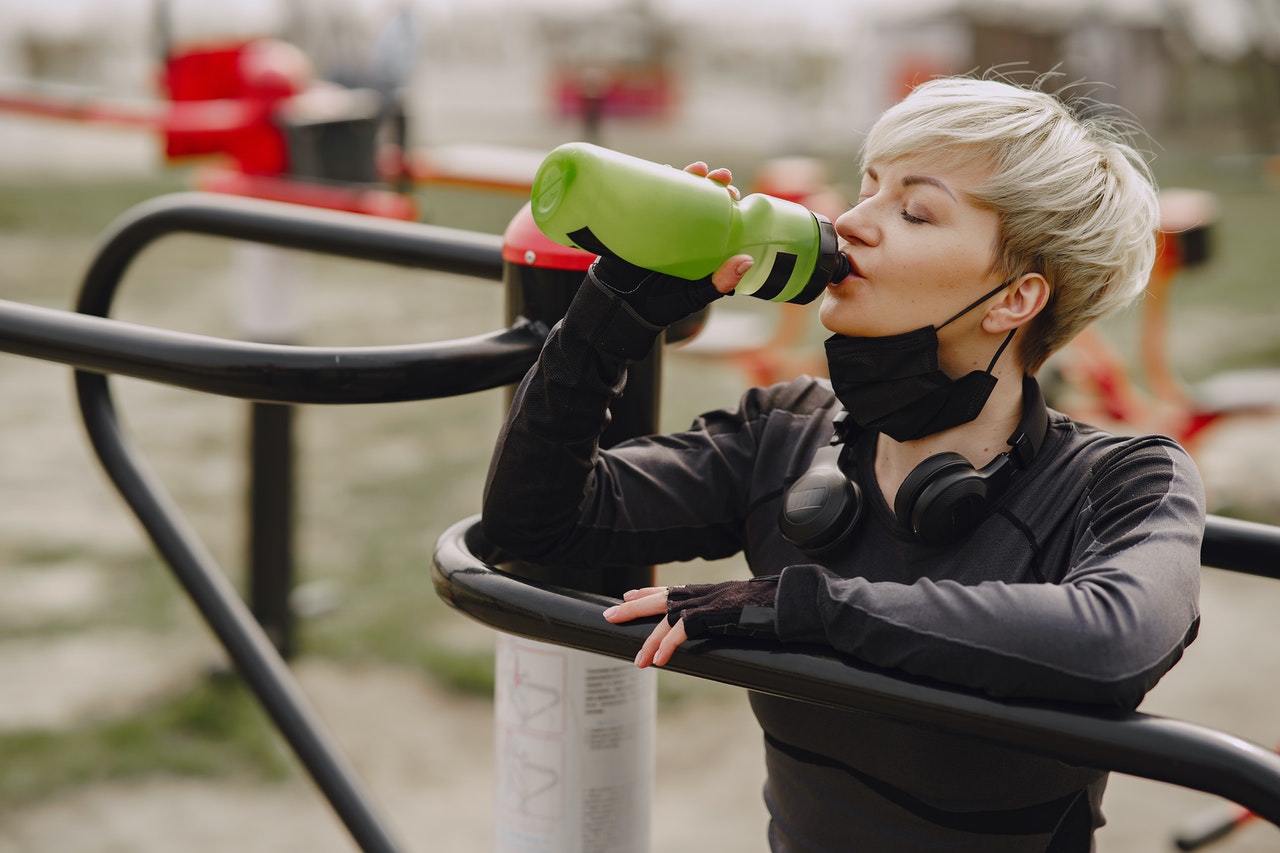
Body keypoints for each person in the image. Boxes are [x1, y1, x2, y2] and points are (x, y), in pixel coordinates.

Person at [482, 74, 1205, 852]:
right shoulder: (786, 431)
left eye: (914, 209)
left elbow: (1111, 641)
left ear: (1014, 299)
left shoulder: (1125, 479)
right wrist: (617, 307)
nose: (851, 222)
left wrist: (798, 608)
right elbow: (537, 521)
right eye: (866, 189)